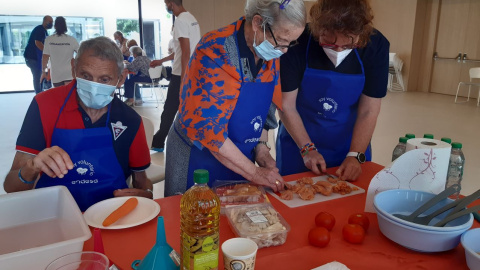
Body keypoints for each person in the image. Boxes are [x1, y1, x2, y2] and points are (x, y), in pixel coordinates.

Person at [164, 0, 306, 196]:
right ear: (257, 23)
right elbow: (210, 133)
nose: (284, 50)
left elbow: (264, 114)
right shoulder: (214, 51)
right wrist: (255, 172)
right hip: (197, 159)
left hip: (240, 161)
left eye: (290, 43)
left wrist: (262, 150)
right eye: (281, 41)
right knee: (194, 219)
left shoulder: (270, 55)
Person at [4, 36, 153, 211]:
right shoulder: (44, 105)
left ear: (120, 79)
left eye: (104, 79)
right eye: (85, 75)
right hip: (52, 215)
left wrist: (148, 194)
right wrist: (32, 166)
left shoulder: (130, 120)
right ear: (73, 68)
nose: (93, 86)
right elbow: (11, 187)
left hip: (108, 217)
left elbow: (141, 182)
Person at [276, 0, 390, 181]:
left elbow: (369, 110)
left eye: (348, 46)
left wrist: (355, 155)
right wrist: (307, 149)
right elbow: (286, 105)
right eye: (328, 43)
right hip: (298, 142)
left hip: (350, 144)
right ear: (317, 30)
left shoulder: (376, 46)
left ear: (361, 34)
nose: (338, 51)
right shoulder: (297, 42)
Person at [150, 0, 201, 152]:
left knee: (170, 109)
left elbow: (186, 53)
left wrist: (183, 81)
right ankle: (192, 143)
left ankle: (158, 142)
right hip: (192, 72)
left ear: (172, 3)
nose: (166, 6)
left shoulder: (180, 21)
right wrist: (161, 60)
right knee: (187, 108)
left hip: (181, 74)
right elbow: (181, 51)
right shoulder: (191, 19)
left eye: (166, 3)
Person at [41, 16, 79, 87]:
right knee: (69, 96)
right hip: (69, 73)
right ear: (65, 27)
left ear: (55, 26)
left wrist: (44, 72)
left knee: (59, 96)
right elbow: (80, 53)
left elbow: (45, 57)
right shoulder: (71, 40)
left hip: (56, 75)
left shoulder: (49, 39)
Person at [24, 15, 53, 94]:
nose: (51, 23)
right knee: (37, 76)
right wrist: (47, 51)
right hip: (32, 58)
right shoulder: (39, 30)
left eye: (52, 22)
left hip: (35, 58)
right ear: (44, 21)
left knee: (39, 75)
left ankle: (40, 92)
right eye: (50, 22)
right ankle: (39, 94)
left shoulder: (44, 31)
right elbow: (38, 43)